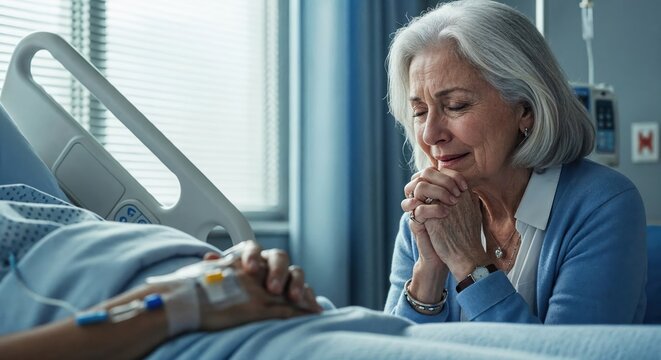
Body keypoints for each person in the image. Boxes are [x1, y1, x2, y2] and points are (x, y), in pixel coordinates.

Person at [383, 0, 647, 324]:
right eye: (420, 112)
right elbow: (393, 350)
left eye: (455, 105)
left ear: (525, 109)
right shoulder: (430, 209)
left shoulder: (603, 205)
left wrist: (470, 263)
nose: (430, 133)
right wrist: (429, 272)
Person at [0, 184, 321, 359]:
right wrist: (185, 301)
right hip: (180, 336)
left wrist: (242, 269)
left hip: (255, 301)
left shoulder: (16, 192)